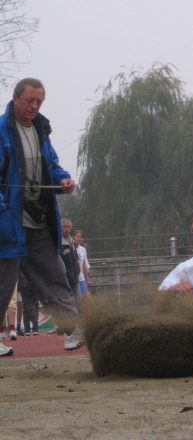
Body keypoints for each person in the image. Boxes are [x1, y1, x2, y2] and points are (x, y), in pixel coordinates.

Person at [0, 78, 81, 357]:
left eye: (39, 101)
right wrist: (3, 211)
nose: (35, 106)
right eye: (30, 100)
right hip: (7, 224)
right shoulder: (2, 131)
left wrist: (63, 181)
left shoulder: (41, 131)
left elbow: (53, 166)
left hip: (37, 221)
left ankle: (72, 329)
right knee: (3, 283)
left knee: (55, 274)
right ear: (15, 99)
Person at [61, 219, 80, 299]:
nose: (67, 229)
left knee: (78, 300)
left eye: (68, 227)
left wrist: (77, 270)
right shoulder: (59, 243)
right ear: (60, 228)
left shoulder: (72, 242)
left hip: (75, 278)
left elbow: (75, 259)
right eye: (64, 227)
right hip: (65, 279)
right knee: (69, 301)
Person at [73, 229, 92, 298]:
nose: (80, 239)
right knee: (76, 299)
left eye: (81, 237)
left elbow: (84, 265)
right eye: (78, 236)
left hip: (81, 278)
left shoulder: (83, 249)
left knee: (87, 298)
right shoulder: (70, 248)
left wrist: (87, 279)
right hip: (72, 278)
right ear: (73, 237)